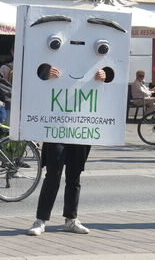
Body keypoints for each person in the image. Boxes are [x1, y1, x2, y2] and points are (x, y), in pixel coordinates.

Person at [27, 66, 107, 237]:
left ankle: (71, 219)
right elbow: (34, 74)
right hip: (57, 127)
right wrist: (45, 74)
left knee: (74, 176)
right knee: (53, 175)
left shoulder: (94, 62)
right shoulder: (53, 59)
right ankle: (41, 220)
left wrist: (104, 76)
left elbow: (112, 78)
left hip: (80, 126)